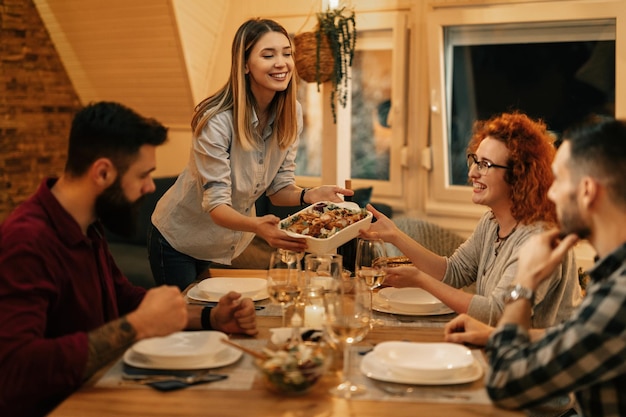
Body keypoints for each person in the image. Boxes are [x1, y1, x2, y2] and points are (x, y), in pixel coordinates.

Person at [0, 102, 258, 417]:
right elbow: (14, 371)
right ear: (103, 172)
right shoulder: (28, 241)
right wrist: (137, 327)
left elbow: (123, 298)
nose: (150, 187)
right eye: (143, 175)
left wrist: (211, 319)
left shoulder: (87, 225)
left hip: (102, 391)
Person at [149, 18, 352, 291]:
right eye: (268, 55)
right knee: (188, 323)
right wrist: (258, 226)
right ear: (245, 65)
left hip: (223, 244)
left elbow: (279, 189)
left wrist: (309, 195)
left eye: (286, 53)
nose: (281, 63)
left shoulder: (293, 113)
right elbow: (217, 206)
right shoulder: (216, 121)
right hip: (176, 240)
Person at [444, 116, 626, 417]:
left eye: (559, 181)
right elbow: (576, 334)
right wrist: (493, 335)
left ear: (587, 191)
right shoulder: (612, 276)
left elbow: (506, 383)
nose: (550, 193)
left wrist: (523, 285)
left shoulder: (619, 296)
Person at [362, 112, 582, 327]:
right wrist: (395, 235)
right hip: (498, 347)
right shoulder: (492, 222)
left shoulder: (539, 237)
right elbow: (453, 272)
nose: (472, 173)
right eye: (475, 161)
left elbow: (498, 314)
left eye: (485, 165)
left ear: (518, 175)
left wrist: (420, 280)